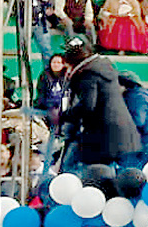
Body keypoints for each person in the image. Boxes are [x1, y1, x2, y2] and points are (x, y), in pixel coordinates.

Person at [61, 38, 142, 167]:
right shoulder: (103, 67)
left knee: (93, 176)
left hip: (102, 138)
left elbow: (88, 107)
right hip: (123, 135)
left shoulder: (88, 74)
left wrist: (63, 116)